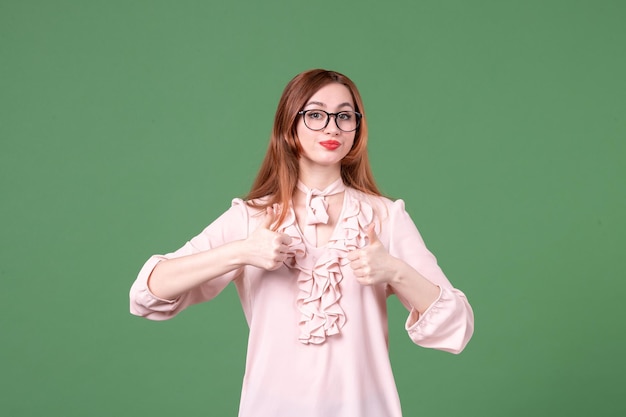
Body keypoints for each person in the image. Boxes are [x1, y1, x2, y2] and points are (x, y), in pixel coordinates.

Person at [129, 68, 474, 417]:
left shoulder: (385, 217)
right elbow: (147, 294)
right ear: (288, 125)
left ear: (357, 126)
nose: (332, 127)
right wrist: (241, 252)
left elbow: (456, 326)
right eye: (315, 114)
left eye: (344, 115)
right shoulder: (252, 218)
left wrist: (395, 271)